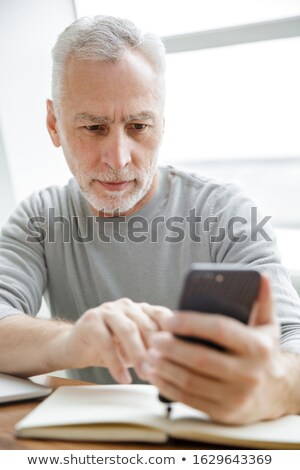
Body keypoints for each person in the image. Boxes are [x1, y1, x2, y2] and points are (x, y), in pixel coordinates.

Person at [0, 15, 300, 425]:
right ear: (54, 125)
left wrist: (277, 384)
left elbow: (293, 343)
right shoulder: (40, 218)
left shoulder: (227, 213)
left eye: (139, 126)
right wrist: (72, 340)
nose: (119, 158)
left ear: (161, 123)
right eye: (93, 127)